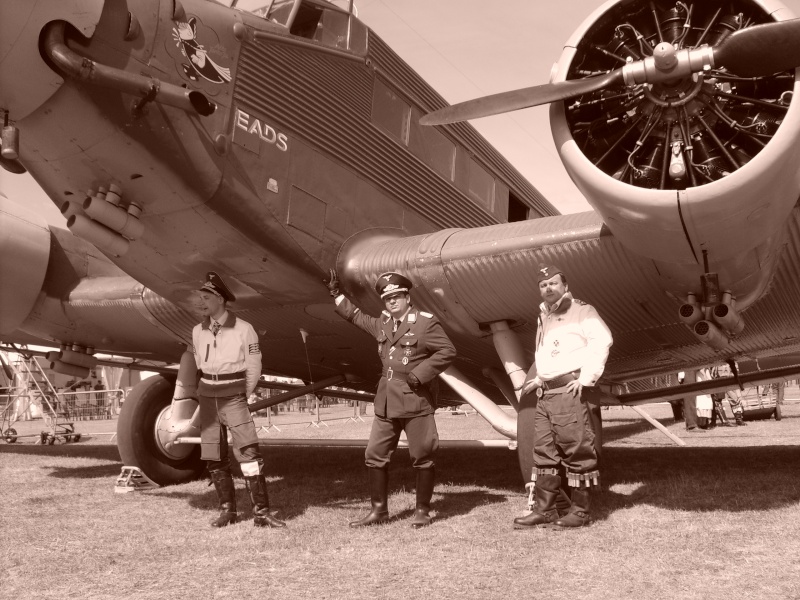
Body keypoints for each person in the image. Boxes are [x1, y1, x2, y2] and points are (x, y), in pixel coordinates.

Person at [327, 269, 456, 528]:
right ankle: (379, 511)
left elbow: (447, 351)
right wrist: (336, 294)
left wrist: (421, 374)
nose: (392, 302)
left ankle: (422, 511)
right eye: (388, 299)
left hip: (414, 398)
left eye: (397, 296)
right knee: (375, 453)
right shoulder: (384, 322)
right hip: (386, 399)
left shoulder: (425, 323)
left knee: (422, 455)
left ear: (407, 297)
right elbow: (355, 316)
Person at [513, 265, 613, 530]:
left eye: (553, 283)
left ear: (565, 286)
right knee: (543, 451)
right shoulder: (544, 315)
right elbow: (550, 352)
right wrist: (540, 378)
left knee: (576, 449)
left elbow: (602, 340)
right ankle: (545, 510)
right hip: (546, 392)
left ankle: (580, 512)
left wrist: (586, 378)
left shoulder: (582, 311)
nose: (548, 288)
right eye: (543, 284)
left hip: (568, 391)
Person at [192, 271, 285, 529]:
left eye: (206, 297)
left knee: (249, 452)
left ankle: (261, 512)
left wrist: (241, 393)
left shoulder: (245, 330)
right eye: (200, 297)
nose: (201, 302)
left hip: (233, 396)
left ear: (220, 299)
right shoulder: (197, 331)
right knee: (214, 454)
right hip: (208, 396)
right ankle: (227, 511)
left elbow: (254, 367)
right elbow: (200, 363)